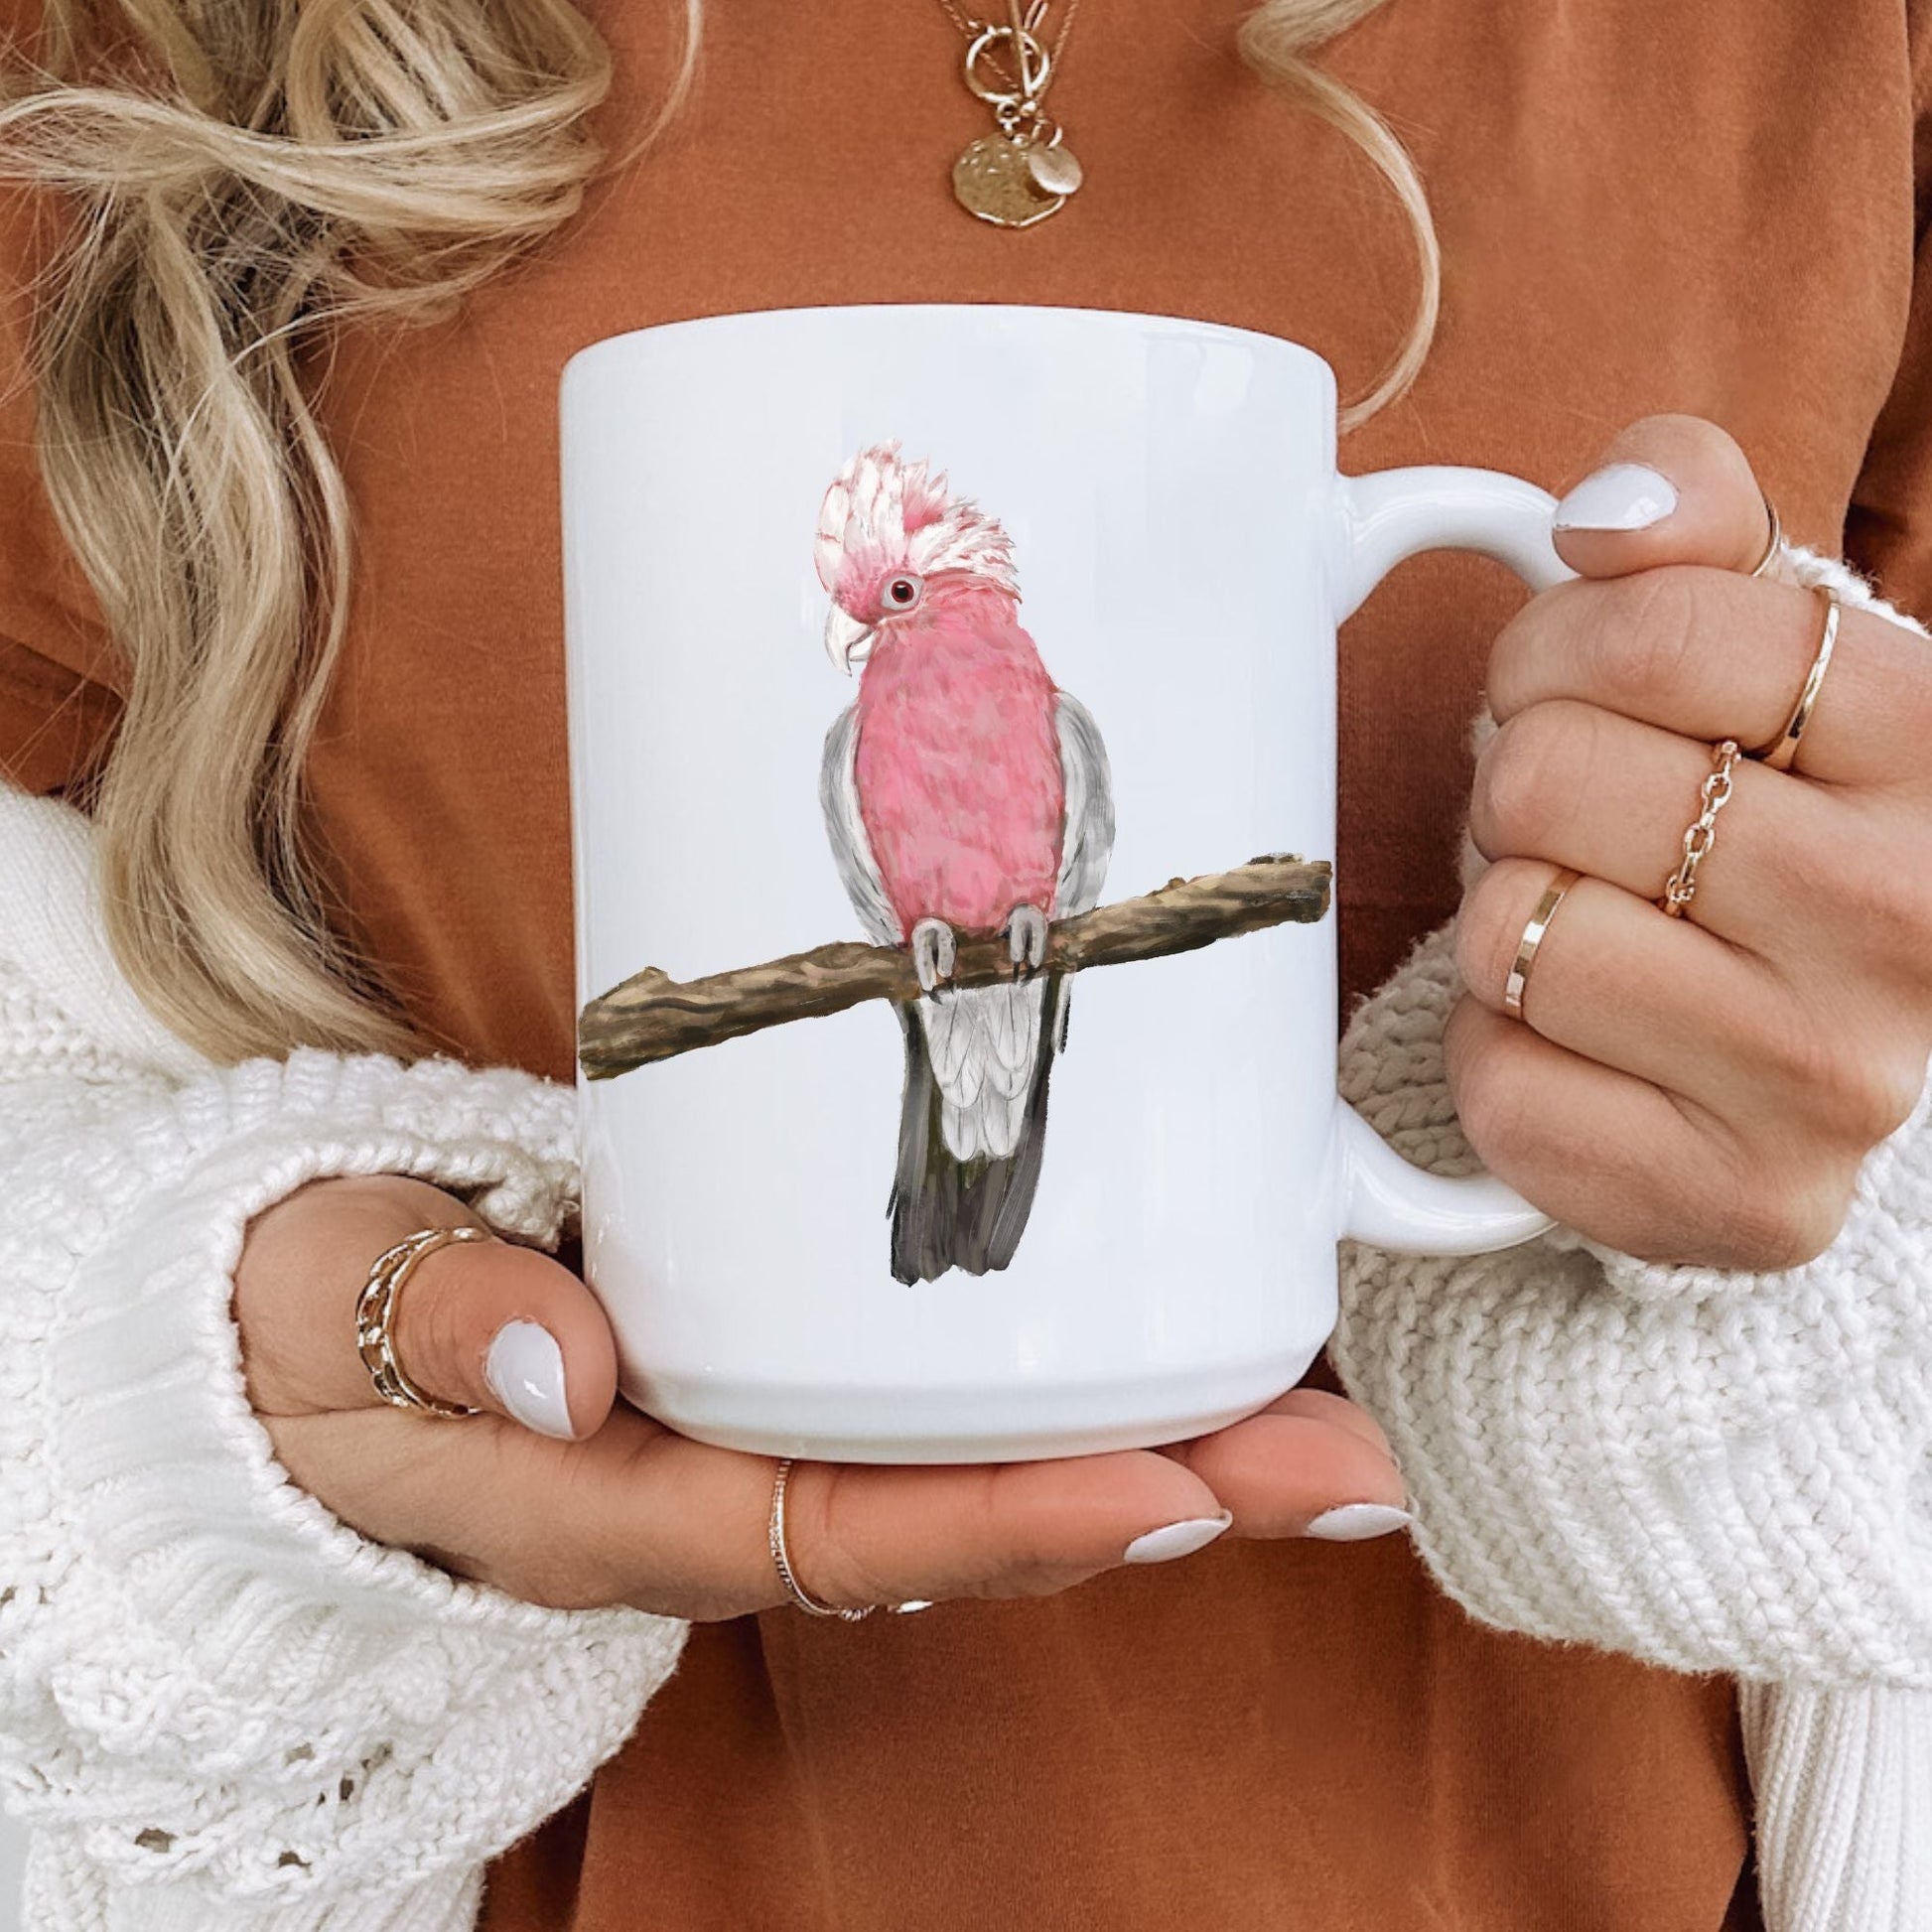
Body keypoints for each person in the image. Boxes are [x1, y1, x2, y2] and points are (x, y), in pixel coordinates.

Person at [1, 1, 1928, 1928]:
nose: (873, 645)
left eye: (894, 604)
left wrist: (1790, 1066)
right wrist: (167, 1401)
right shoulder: (142, 52)